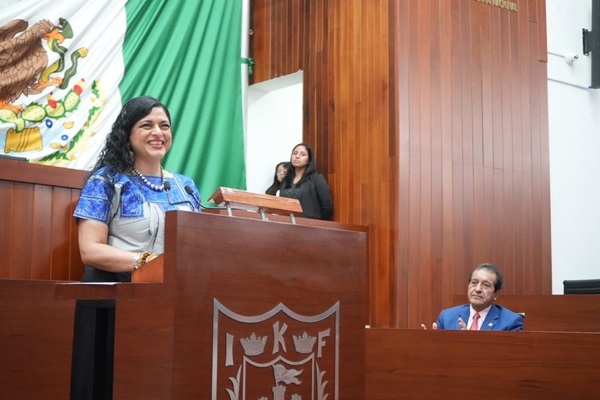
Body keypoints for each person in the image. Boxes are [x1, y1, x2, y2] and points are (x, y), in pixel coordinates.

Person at [73, 95, 202, 282]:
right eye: (147, 125)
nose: (158, 132)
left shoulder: (186, 186)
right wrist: (148, 261)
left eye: (164, 126)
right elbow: (90, 250)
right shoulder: (106, 181)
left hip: (180, 287)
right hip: (122, 287)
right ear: (127, 134)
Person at [423, 263, 524, 331]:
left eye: (486, 285)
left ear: (496, 293)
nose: (478, 289)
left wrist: (470, 342)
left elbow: (509, 359)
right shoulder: (447, 317)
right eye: (474, 283)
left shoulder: (511, 322)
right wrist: (432, 343)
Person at [279, 143, 333, 220]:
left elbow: (327, 206)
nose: (297, 156)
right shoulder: (285, 180)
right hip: (287, 224)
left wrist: (317, 223)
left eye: (302, 154)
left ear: (309, 160)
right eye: (295, 153)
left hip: (309, 225)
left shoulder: (316, 178)